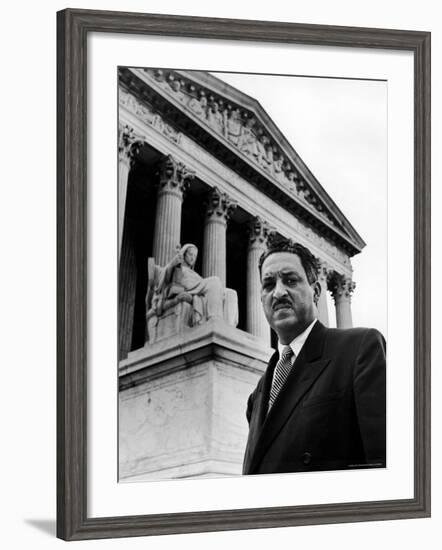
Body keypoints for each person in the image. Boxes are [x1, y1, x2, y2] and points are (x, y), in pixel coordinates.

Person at [242, 236, 386, 475]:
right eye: (268, 285)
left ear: (316, 291)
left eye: (290, 280)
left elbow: (383, 462)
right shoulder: (256, 395)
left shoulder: (359, 349)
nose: (278, 293)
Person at [151, 244, 224, 325]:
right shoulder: (177, 268)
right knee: (215, 281)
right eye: (190, 254)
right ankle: (213, 319)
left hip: (198, 288)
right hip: (188, 287)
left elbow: (203, 286)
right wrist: (173, 263)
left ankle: (226, 326)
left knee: (230, 293)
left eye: (195, 256)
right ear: (184, 254)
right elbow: (165, 278)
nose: (193, 258)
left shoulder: (195, 274)